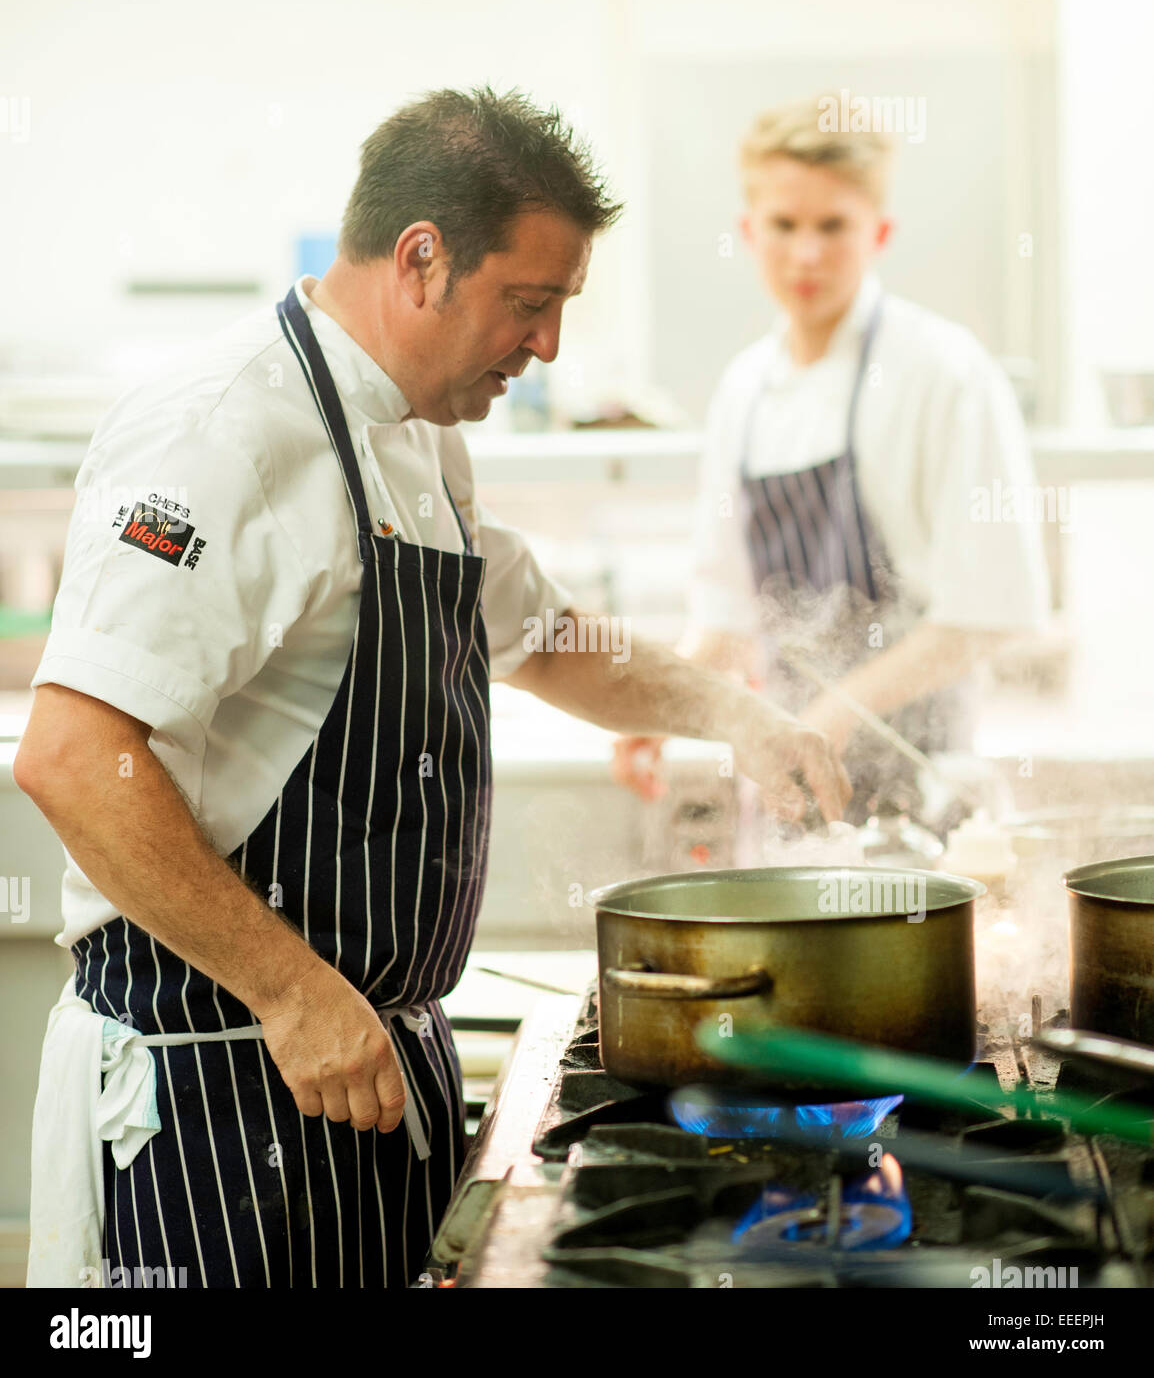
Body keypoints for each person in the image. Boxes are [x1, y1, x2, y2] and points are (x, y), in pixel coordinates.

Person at [16, 86, 849, 1290]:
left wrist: (740, 716)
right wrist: (294, 991)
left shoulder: (414, 435)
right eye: (530, 302)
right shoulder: (220, 431)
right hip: (209, 1087)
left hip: (358, 1073)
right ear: (420, 259)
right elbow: (72, 755)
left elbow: (545, 634)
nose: (550, 345)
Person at [614, 95, 1050, 834]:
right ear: (748, 233)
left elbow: (989, 610)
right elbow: (723, 613)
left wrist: (839, 710)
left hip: (921, 788)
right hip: (783, 784)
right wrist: (659, 708)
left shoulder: (943, 372)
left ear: (879, 232)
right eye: (784, 226)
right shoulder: (744, 392)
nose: (806, 254)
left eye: (833, 226)